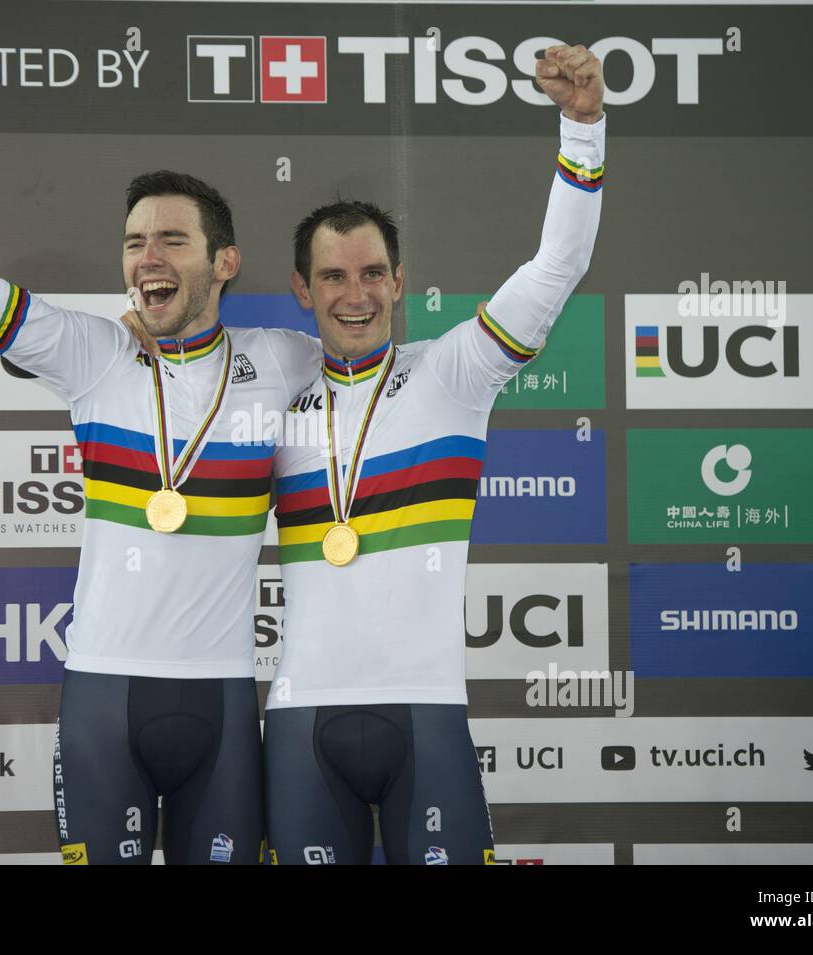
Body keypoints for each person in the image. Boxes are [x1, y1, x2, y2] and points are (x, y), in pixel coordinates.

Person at [0, 58, 321, 865]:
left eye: (173, 240)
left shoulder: (281, 359)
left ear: (224, 262)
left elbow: (384, 369)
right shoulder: (93, 352)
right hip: (102, 695)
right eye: (135, 242)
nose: (150, 255)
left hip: (220, 695)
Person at [263, 44, 606, 865]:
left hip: (427, 712)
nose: (358, 294)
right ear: (303, 288)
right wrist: (145, 326)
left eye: (375, 273)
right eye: (335, 276)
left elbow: (556, 267)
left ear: (400, 279)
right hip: (301, 715)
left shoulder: (455, 371)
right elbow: (169, 357)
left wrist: (583, 126)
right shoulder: (264, 382)